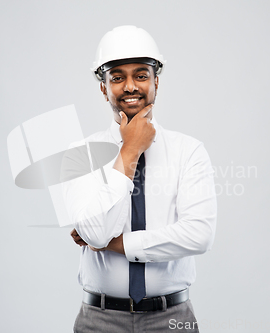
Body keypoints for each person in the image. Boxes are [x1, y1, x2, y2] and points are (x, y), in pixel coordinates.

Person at [63, 25, 217, 333]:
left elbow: (199, 234)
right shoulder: (80, 153)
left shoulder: (189, 151)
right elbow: (94, 234)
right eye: (117, 77)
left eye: (141, 75)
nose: (130, 86)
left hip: (171, 319)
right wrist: (131, 149)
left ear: (156, 81)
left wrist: (119, 244)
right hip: (100, 320)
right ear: (103, 87)